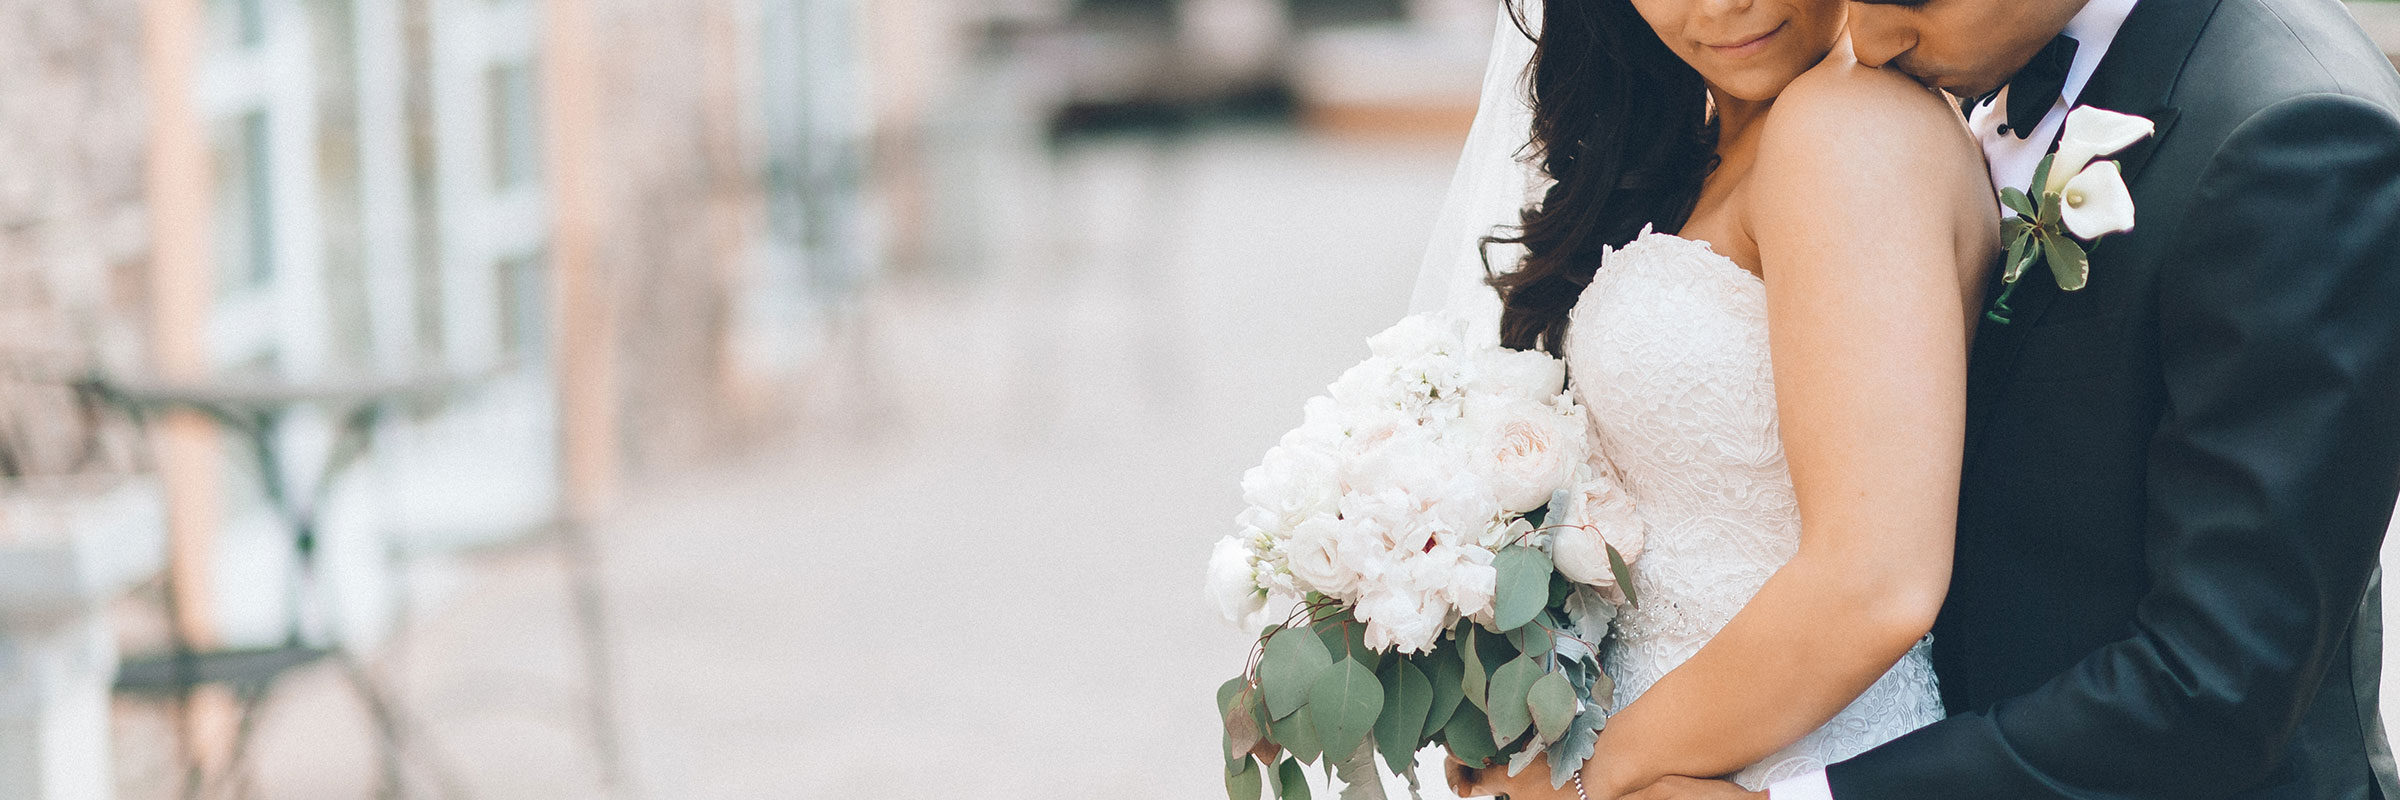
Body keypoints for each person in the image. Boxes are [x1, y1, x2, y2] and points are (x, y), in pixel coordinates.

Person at [1448, 0, 2400, 797]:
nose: (1876, 28)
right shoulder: (1947, 79)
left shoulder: (2296, 127)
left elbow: (2218, 682)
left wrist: (1590, 780)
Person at [1423, 0, 2000, 795]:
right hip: (1667, 751)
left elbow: (1875, 582)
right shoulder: (1706, 138)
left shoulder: (1851, 126)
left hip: (1778, 760)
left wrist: (1583, 777)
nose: (1722, 4)